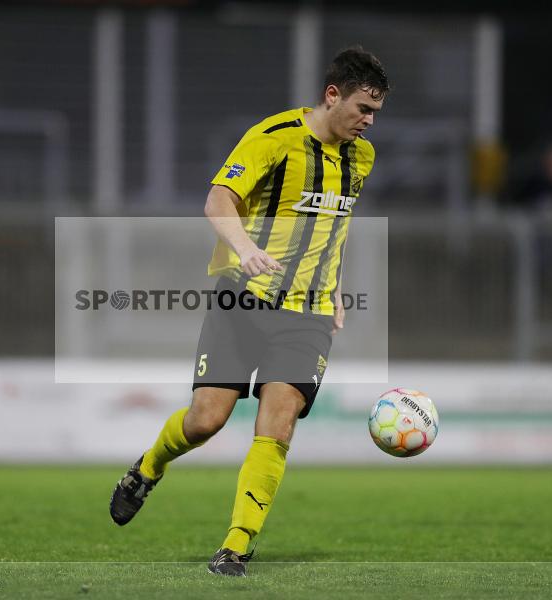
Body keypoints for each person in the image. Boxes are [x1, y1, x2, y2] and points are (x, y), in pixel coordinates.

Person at [109, 46, 388, 576]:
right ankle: (146, 469)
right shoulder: (274, 137)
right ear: (333, 96)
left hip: (307, 315)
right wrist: (247, 249)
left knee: (277, 423)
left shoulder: (362, 158)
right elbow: (218, 200)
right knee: (204, 421)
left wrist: (334, 291)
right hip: (241, 299)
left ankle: (235, 547)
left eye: (375, 112)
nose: (369, 122)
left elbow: (333, 229)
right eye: (363, 109)